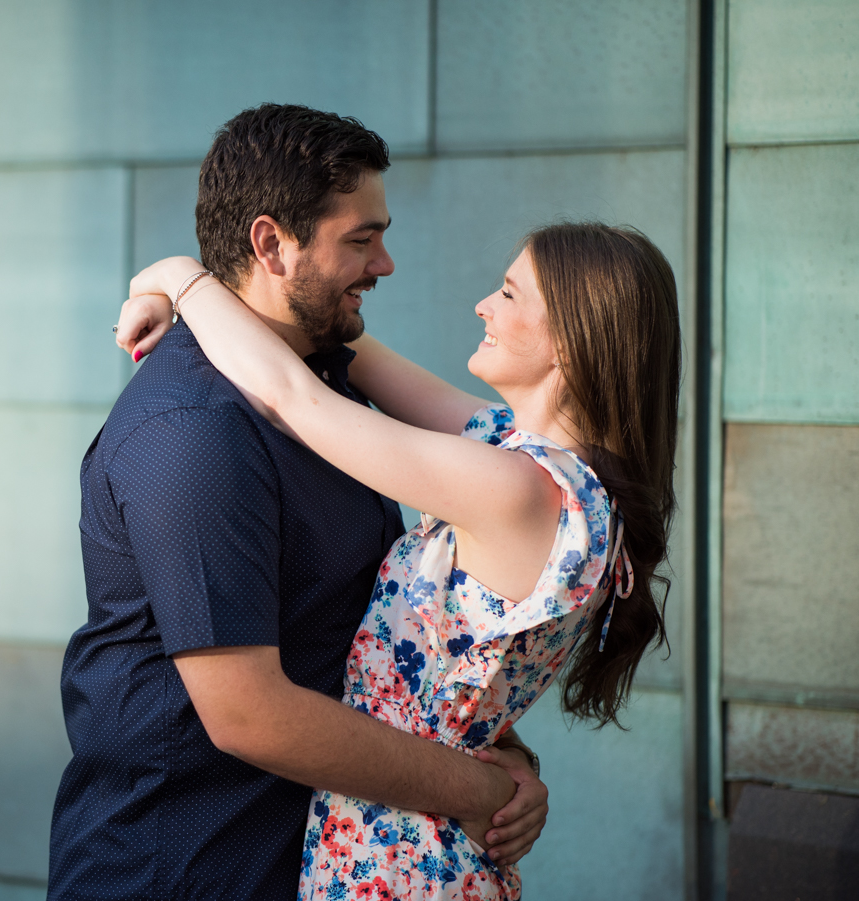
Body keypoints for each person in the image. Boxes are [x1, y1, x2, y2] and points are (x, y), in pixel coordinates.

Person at [48, 105, 551, 901]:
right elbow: (249, 713)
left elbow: (360, 633)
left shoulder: (326, 380)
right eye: (361, 239)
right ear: (271, 244)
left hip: (304, 864)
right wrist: (478, 790)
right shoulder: (195, 432)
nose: (385, 263)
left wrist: (504, 750)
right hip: (183, 871)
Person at [117, 214, 680, 899]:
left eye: (507, 293)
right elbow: (351, 344)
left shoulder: (512, 489)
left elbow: (295, 398)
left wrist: (182, 275)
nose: (483, 305)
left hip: (400, 855)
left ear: (571, 336)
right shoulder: (551, 471)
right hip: (419, 837)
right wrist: (191, 294)